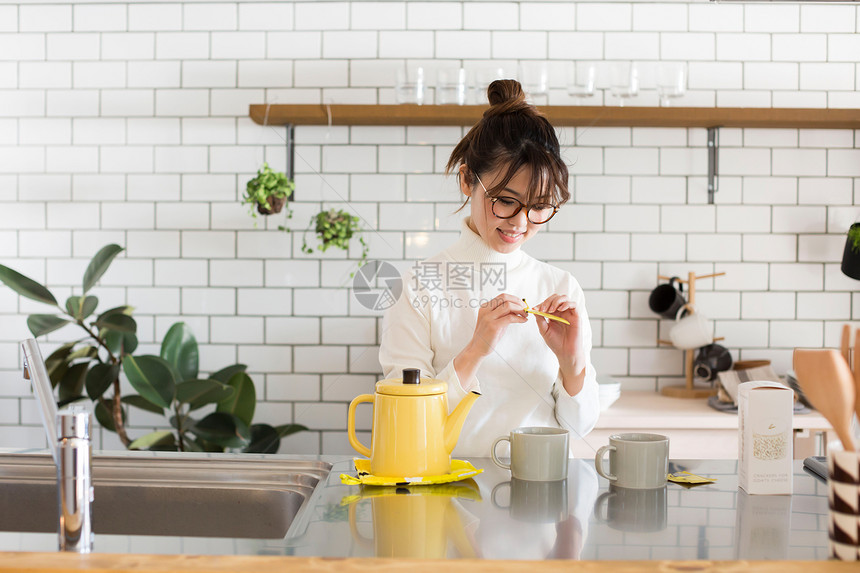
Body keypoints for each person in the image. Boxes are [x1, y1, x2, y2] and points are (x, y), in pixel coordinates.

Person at [379, 79, 599, 458]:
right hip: (447, 498)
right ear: (468, 180)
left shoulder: (560, 286)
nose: (520, 222)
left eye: (539, 206)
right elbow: (405, 421)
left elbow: (579, 427)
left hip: (540, 500)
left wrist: (573, 365)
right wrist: (475, 351)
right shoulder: (419, 286)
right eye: (505, 201)